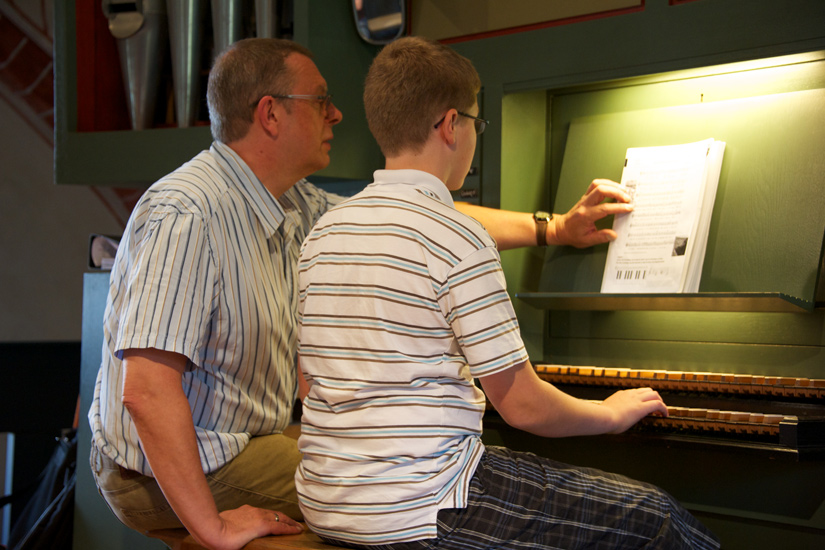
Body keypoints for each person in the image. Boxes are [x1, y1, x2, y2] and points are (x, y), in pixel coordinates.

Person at [88, 37, 638, 550]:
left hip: (241, 440)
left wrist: (553, 229)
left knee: (368, 470)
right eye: (320, 101)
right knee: (381, 486)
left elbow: (413, 214)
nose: (336, 114)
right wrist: (213, 527)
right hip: (162, 468)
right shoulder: (186, 212)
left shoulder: (293, 202)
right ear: (270, 114)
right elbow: (147, 392)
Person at [295, 36, 720, 550]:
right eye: (477, 124)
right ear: (451, 125)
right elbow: (522, 406)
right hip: (426, 507)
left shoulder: (323, 234)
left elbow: (308, 385)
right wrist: (611, 414)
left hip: (328, 503)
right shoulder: (458, 235)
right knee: (658, 518)